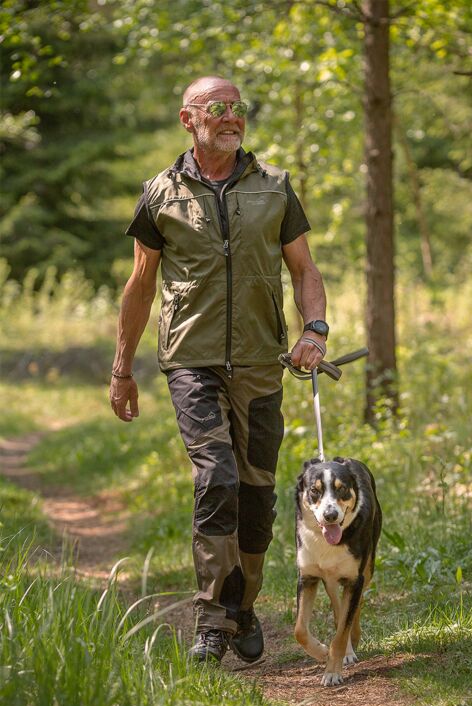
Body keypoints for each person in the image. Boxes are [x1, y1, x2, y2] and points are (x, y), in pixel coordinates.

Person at [109, 75, 329, 664]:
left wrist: (315, 330)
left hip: (260, 362)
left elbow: (305, 270)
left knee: (257, 494)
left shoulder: (276, 187)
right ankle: (211, 620)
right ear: (190, 119)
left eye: (238, 109)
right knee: (216, 479)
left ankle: (243, 606)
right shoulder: (161, 193)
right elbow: (140, 283)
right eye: (218, 108)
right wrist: (121, 369)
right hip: (191, 360)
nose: (232, 118)